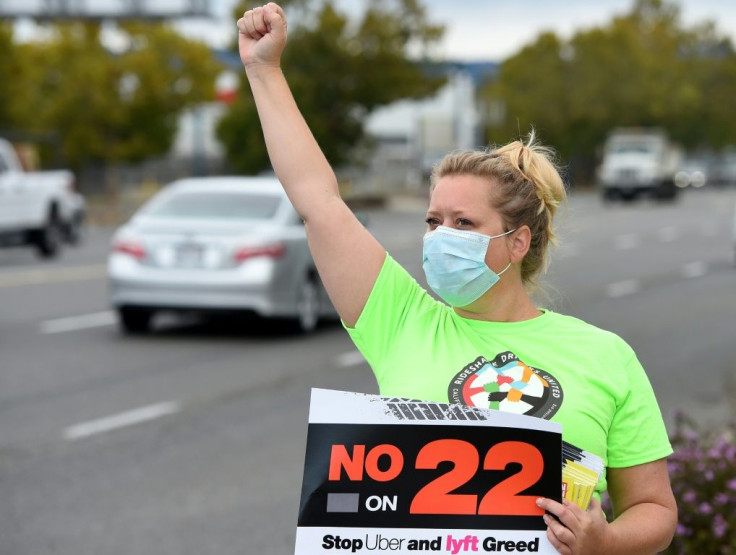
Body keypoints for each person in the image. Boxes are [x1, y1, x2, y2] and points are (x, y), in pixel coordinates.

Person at [236, 4, 677, 554]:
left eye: (464, 223)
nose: (441, 236)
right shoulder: (399, 320)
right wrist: (264, 70)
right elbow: (319, 202)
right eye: (433, 221)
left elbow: (655, 510)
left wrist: (604, 541)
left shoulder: (607, 356)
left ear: (518, 242)